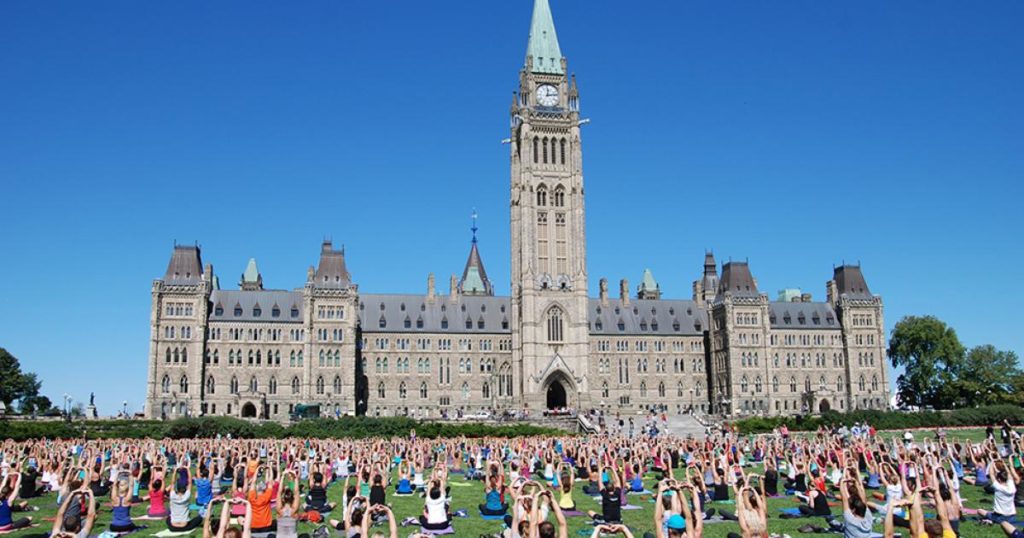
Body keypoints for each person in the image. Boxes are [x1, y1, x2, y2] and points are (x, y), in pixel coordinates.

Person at [168, 466, 203, 532]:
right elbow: (190, 482)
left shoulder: (172, 495)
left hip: (173, 527)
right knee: (199, 518)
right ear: (185, 489)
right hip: (184, 526)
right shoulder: (186, 496)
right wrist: (187, 469)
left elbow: (172, 483)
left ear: (177, 488)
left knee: (168, 518)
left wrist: (175, 470)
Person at [275, 470, 302, 538]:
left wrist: (283, 476)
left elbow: (279, 492)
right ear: (293, 499)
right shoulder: (294, 510)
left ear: (283, 499)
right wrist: (295, 477)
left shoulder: (279, 510)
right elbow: (297, 492)